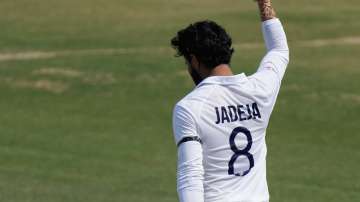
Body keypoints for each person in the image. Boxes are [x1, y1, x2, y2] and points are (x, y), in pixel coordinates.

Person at [170, 0, 289, 201]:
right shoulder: (260, 89)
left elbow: (190, 175)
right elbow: (279, 50)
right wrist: (264, 3)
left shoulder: (189, 108)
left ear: (195, 61)